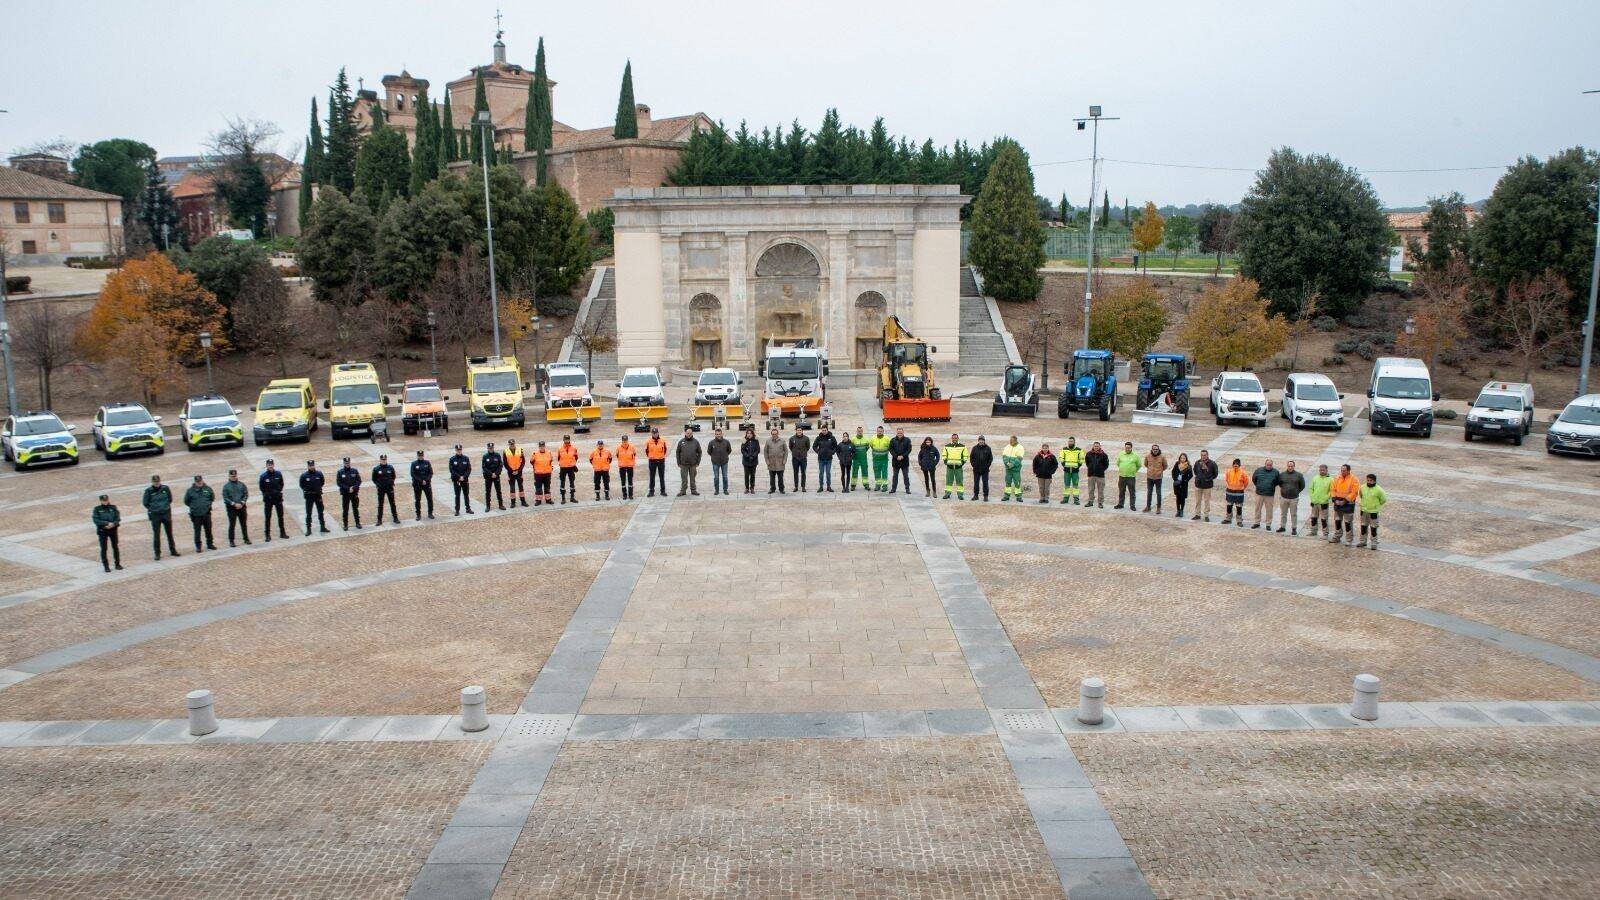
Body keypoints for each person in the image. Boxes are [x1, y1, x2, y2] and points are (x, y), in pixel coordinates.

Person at [143, 475, 179, 559]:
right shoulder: (148, 491)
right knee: (157, 534)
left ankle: (173, 550)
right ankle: (157, 553)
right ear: (152, 482)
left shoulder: (165, 488)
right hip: (155, 515)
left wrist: (165, 507)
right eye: (155, 482)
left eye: (158, 481)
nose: (157, 483)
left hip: (166, 513)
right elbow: (145, 503)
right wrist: (154, 508)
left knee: (169, 533)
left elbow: (170, 499)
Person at [1329, 464, 1361, 546]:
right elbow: (1332, 489)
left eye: (1344, 470)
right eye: (1341, 470)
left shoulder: (1354, 479)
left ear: (1348, 471)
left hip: (1348, 504)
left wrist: (1345, 500)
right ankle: (1337, 537)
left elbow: (1354, 492)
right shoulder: (1337, 478)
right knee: (1337, 521)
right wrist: (1334, 499)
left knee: (1348, 522)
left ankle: (1349, 539)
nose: (1342, 472)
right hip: (1337, 503)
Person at [185, 475, 217, 551]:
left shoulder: (208, 489)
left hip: (206, 513)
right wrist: (194, 507)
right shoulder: (190, 491)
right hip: (196, 515)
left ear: (202, 480)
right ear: (195, 482)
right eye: (197, 481)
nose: (199, 483)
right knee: (197, 531)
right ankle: (198, 546)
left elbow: (212, 498)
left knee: (208, 530)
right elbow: (186, 501)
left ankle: (210, 544)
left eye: (200, 481)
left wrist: (207, 505)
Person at [259, 460, 289, 541]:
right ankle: (267, 535)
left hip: (278, 499)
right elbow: (262, 488)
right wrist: (267, 494)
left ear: (273, 465)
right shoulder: (263, 476)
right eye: (269, 465)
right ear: (266, 466)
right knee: (268, 517)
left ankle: (282, 533)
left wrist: (278, 491)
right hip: (268, 500)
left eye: (271, 464)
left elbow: (281, 484)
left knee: (280, 516)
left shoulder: (278, 474)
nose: (270, 466)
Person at [92, 494, 122, 572]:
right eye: (103, 500)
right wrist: (106, 524)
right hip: (103, 531)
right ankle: (106, 566)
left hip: (113, 530)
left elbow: (118, 517)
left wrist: (113, 524)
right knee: (104, 548)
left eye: (106, 500)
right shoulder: (97, 509)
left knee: (115, 547)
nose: (105, 502)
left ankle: (117, 564)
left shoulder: (113, 507)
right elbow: (96, 520)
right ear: (101, 501)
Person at [1358, 472, 1387, 549]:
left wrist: (1376, 505)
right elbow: (1361, 495)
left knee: (1373, 528)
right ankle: (1363, 541)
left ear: (1374, 481)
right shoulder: (1362, 487)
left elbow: (1383, 499)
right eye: (1367, 480)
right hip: (1364, 510)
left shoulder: (1379, 490)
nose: (1368, 482)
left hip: (1373, 512)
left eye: (1370, 480)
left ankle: (1374, 543)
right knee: (1363, 527)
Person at [222, 469, 252, 545]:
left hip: (242, 507)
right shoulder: (226, 486)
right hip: (231, 508)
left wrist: (242, 503)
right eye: (232, 476)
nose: (234, 477)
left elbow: (245, 494)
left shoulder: (241, 484)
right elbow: (225, 497)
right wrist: (233, 504)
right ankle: (231, 541)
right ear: (229, 476)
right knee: (232, 524)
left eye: (235, 476)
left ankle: (246, 538)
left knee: (243, 524)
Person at [1276, 460, 1305, 535]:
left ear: (1294, 466)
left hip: (1294, 498)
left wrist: (1296, 491)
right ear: (1287, 466)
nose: (1290, 467)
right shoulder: (1282, 475)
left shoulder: (1299, 475)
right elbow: (1280, 484)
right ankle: (1282, 527)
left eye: (1291, 466)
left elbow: (1302, 486)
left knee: (1293, 514)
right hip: (1283, 498)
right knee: (1283, 513)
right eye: (1289, 466)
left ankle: (1294, 528)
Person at [300, 461, 329, 535]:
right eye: (310, 466)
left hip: (317, 495)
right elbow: (302, 485)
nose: (311, 467)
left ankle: (322, 527)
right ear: (308, 466)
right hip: (309, 496)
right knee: (309, 513)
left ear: (314, 465)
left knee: (320, 511)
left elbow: (322, 482)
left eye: (312, 465)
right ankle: (308, 529)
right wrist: (308, 490)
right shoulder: (304, 475)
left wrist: (317, 489)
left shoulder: (319, 474)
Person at [1250, 458, 1280, 529]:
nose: (1269, 466)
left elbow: (1277, 482)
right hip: (1259, 494)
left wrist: (1271, 486)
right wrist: (1259, 486)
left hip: (1269, 495)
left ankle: (1268, 524)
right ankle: (1257, 522)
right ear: (1265, 464)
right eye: (1267, 465)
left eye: (1270, 465)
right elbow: (1254, 479)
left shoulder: (1276, 472)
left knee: (1269, 510)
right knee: (1258, 509)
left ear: (1272, 465)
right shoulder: (1258, 470)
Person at [336, 457, 363, 530]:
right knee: (345, 510)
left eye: (348, 463)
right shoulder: (340, 472)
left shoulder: (354, 471)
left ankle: (357, 523)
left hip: (354, 493)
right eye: (346, 463)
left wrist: (353, 488)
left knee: (355, 509)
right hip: (345, 494)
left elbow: (359, 481)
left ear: (350, 463)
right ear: (344, 463)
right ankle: (345, 525)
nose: (347, 464)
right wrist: (348, 488)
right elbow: (339, 483)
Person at [1306, 463, 1333, 538]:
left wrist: (1326, 498)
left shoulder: (1331, 479)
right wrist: (1312, 497)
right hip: (1315, 502)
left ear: (1326, 470)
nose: (1322, 471)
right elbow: (1311, 488)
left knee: (1324, 519)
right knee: (1313, 517)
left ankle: (1325, 533)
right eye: (1320, 470)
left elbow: (1331, 491)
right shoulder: (1315, 478)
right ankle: (1313, 531)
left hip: (1323, 503)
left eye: (1323, 470)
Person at [1191, 450, 1218, 522]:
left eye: (1205, 455)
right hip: (1198, 485)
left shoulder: (1212, 463)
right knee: (1198, 501)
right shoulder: (1197, 462)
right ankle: (1197, 514)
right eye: (1202, 455)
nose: (1203, 456)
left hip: (1207, 485)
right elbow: (1195, 472)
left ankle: (1206, 515)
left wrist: (1208, 478)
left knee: (1207, 501)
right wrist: (1199, 478)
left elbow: (1215, 474)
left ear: (1207, 455)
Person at [676, 427, 703, 496]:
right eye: (688, 433)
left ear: (692, 433)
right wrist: (679, 463)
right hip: (683, 464)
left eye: (690, 433)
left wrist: (698, 462)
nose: (689, 434)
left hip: (693, 464)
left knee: (692, 479)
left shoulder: (696, 442)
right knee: (684, 479)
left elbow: (699, 452)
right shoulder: (681, 442)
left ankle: (693, 490)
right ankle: (683, 491)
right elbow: (677, 452)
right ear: (685, 433)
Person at [450, 444, 476, 514]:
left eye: (460, 450)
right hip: (457, 480)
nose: (459, 451)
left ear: (461, 450)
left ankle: (468, 508)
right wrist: (459, 477)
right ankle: (457, 510)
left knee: (466, 495)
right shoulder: (452, 459)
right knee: (457, 495)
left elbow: (469, 469)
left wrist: (464, 477)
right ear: (455, 450)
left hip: (465, 480)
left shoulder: (466, 458)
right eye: (458, 450)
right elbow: (452, 470)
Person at [1222, 458, 1249, 527]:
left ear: (1239, 465)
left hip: (1239, 493)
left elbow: (1246, 482)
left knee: (1239, 507)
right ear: (1232, 465)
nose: (1235, 467)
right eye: (1234, 465)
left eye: (1236, 466)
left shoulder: (1243, 473)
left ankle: (1239, 521)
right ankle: (1228, 519)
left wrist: (1241, 488)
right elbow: (1227, 479)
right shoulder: (1228, 471)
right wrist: (1231, 486)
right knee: (1229, 506)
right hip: (1230, 492)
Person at [1114, 442, 1140, 511]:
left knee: (1132, 492)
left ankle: (1132, 505)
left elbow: (1139, 465)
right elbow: (1118, 463)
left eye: (1128, 447)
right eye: (1126, 447)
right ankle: (1120, 504)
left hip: (1131, 477)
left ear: (1131, 448)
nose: (1127, 449)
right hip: (1122, 476)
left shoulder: (1135, 455)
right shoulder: (1121, 454)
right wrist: (1123, 469)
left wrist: (1133, 471)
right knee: (1121, 491)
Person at [1058, 438, 1085, 505]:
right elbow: (1061, 458)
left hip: (1075, 471)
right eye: (1069, 441)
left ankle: (1076, 500)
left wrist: (1078, 466)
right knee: (1066, 485)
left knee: (1075, 485)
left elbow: (1081, 459)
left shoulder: (1079, 450)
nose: (1070, 442)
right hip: (1066, 471)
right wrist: (1064, 465)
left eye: (1072, 441)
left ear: (1074, 442)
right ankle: (1065, 499)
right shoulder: (1064, 449)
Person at [411, 450, 436, 520]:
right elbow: (413, 475)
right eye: (419, 456)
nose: (420, 457)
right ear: (417, 456)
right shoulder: (414, 464)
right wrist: (421, 481)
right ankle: (418, 515)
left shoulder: (427, 463)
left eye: (421, 455)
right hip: (418, 484)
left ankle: (430, 513)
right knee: (418, 500)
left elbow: (430, 473)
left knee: (430, 499)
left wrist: (426, 480)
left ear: (423, 455)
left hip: (427, 484)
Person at [941, 433, 968, 499]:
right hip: (949, 467)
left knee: (959, 481)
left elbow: (965, 456)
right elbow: (944, 455)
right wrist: (946, 462)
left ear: (958, 438)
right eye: (953, 438)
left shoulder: (963, 446)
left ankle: (960, 494)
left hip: (958, 467)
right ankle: (947, 494)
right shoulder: (947, 446)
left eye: (956, 438)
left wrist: (962, 463)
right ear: (951, 439)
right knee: (948, 481)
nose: (954, 439)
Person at [1143, 444, 1168, 513]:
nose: (1155, 451)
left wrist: (1159, 471)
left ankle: (1158, 508)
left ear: (1158, 449)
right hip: (1150, 477)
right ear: (1152, 449)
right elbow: (1145, 464)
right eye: (1154, 449)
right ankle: (1148, 507)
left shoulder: (1162, 457)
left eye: (1156, 449)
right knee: (1149, 492)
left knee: (1158, 493)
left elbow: (1165, 466)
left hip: (1158, 478)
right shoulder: (1148, 456)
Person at [1084, 442, 1110, 508]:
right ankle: (1090, 501)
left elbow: (1106, 465)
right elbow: (1087, 462)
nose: (1096, 447)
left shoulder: (1104, 455)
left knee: (1101, 490)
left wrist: (1101, 469)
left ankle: (1100, 502)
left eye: (1097, 446)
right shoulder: (1088, 454)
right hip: (1091, 475)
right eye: (1095, 446)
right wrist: (1090, 468)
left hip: (1100, 475)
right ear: (1093, 446)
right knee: (1090, 489)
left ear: (1100, 447)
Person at [707, 428, 732, 496]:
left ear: (722, 434)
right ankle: (716, 490)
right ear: (715, 434)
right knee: (716, 477)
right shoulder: (711, 442)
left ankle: (725, 490)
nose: (718, 435)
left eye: (719, 434)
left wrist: (725, 456)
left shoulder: (726, 442)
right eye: (717, 434)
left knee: (725, 476)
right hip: (715, 462)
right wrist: (714, 457)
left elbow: (729, 450)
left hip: (724, 462)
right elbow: (709, 451)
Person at [888, 427, 914, 494]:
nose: (900, 434)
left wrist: (902, 456)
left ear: (903, 433)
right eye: (898, 433)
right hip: (895, 461)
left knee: (906, 476)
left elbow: (909, 449)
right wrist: (896, 456)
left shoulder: (907, 440)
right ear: (896, 433)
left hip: (904, 461)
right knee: (895, 476)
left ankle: (907, 489)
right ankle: (893, 489)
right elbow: (890, 449)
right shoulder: (893, 440)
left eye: (901, 433)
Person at [813, 426, 838, 493]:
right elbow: (814, 446)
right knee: (821, 473)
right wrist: (818, 451)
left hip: (829, 458)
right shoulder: (818, 438)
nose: (824, 431)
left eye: (825, 430)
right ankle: (821, 486)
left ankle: (828, 487)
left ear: (827, 430)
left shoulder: (832, 438)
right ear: (821, 430)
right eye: (823, 430)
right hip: (821, 459)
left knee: (828, 473)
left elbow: (836, 446)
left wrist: (832, 452)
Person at [645, 428, 669, 497]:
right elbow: (647, 451)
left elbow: (665, 450)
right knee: (652, 476)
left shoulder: (663, 441)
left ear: (658, 433)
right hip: (652, 461)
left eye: (656, 433)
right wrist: (652, 456)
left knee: (662, 476)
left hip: (661, 460)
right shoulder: (648, 441)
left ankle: (663, 491)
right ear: (652, 433)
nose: (655, 434)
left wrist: (660, 456)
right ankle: (651, 491)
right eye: (653, 433)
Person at [1000, 436, 1025, 501]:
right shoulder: (1007, 447)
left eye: (1012, 441)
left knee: (1017, 482)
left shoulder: (1020, 447)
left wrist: (1013, 464)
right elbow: (1004, 456)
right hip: (1008, 469)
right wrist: (1007, 463)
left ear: (1016, 441)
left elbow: (1019, 458)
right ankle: (1006, 496)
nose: (1010, 442)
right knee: (1008, 482)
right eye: (1010, 440)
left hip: (1016, 469)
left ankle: (1019, 497)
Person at [482, 442, 505, 511]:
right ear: (487, 448)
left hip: (496, 476)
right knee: (488, 492)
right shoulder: (485, 456)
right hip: (488, 477)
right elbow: (484, 467)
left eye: (492, 448)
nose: (491, 449)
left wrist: (496, 473)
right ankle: (488, 506)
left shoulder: (497, 455)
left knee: (498, 491)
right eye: (489, 448)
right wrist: (491, 474)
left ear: (493, 448)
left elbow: (500, 465)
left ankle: (501, 505)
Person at [504, 439, 527, 508]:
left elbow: (523, 462)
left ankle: (523, 501)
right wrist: (511, 471)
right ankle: (513, 502)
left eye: (513, 444)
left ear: (515, 444)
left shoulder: (520, 450)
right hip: (511, 473)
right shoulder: (505, 451)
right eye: (510, 444)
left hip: (519, 472)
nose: (512, 445)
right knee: (512, 488)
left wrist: (519, 470)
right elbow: (505, 463)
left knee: (521, 487)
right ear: (509, 445)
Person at [556, 436, 580, 504]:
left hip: (571, 468)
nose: (566, 440)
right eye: (565, 439)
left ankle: (572, 497)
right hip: (563, 468)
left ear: (569, 440)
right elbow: (558, 458)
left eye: (568, 439)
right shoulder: (560, 448)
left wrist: (572, 463)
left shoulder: (574, 448)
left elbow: (576, 457)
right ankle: (563, 498)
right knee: (562, 483)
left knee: (572, 482)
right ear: (563, 440)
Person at [763, 428, 788, 493]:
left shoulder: (782, 441)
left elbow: (786, 451)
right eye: (773, 434)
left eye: (775, 434)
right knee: (772, 478)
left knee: (780, 478)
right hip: (771, 463)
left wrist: (784, 460)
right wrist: (767, 461)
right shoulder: (768, 441)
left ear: (778, 434)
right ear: (771, 434)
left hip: (780, 463)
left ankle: (781, 489)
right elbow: (765, 452)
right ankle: (772, 488)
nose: (774, 435)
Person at [969, 435, 993, 501]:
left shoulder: (988, 448)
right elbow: (971, 457)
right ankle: (976, 495)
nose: (981, 441)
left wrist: (987, 466)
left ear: (984, 441)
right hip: (976, 470)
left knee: (985, 483)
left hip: (985, 470)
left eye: (982, 440)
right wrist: (973, 465)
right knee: (976, 483)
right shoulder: (974, 448)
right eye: (980, 440)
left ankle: (985, 496)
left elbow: (990, 458)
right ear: (978, 441)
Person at [530, 441, 554, 505]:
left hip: (547, 473)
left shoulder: (549, 453)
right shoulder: (535, 454)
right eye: (540, 446)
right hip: (538, 474)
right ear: (539, 447)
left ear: (544, 446)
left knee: (547, 487)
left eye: (543, 446)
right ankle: (538, 500)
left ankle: (548, 499)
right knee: (538, 487)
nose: (542, 447)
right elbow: (531, 462)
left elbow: (551, 461)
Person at [788, 426, 811, 492]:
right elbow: (790, 447)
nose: (799, 431)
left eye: (800, 430)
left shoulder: (806, 438)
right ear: (796, 431)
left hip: (803, 458)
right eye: (798, 430)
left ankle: (803, 486)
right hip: (795, 458)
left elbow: (808, 447)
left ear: (802, 431)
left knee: (803, 472)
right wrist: (795, 452)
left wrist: (803, 453)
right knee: (795, 473)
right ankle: (796, 486)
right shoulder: (792, 438)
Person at [870, 426, 892, 492]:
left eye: (881, 431)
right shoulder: (873, 438)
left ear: (883, 431)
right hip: (876, 460)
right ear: (877, 431)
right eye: (878, 431)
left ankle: (885, 486)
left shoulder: (887, 439)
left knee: (884, 472)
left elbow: (890, 447)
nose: (880, 432)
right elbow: (871, 446)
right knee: (876, 472)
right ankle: (878, 485)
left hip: (884, 460)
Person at [849, 427, 871, 491]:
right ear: (856, 431)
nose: (860, 432)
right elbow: (851, 449)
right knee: (854, 472)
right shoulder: (853, 439)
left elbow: (867, 447)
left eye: (861, 431)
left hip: (864, 459)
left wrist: (863, 452)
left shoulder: (866, 439)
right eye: (858, 431)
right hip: (856, 459)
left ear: (862, 431)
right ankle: (853, 485)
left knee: (865, 471)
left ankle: (866, 484)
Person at [1171, 453, 1192, 518]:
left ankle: (1182, 511)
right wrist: (1175, 479)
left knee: (1182, 498)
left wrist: (1186, 480)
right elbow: (1173, 471)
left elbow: (1191, 475)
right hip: (1177, 483)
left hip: (1184, 484)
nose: (1182, 459)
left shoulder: (1188, 466)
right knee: (1178, 497)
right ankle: (1178, 511)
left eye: (1184, 458)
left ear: (1186, 459)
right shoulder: (1177, 464)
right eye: (1181, 458)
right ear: (1179, 458)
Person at [740, 429, 762, 494]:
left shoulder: (756, 441)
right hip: (746, 461)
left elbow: (758, 450)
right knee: (746, 475)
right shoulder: (744, 441)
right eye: (748, 433)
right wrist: (747, 456)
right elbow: (742, 450)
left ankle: (752, 488)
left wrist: (753, 456)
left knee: (753, 475)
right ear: (746, 434)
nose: (749, 434)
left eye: (750, 433)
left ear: (753, 434)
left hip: (754, 461)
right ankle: (746, 488)